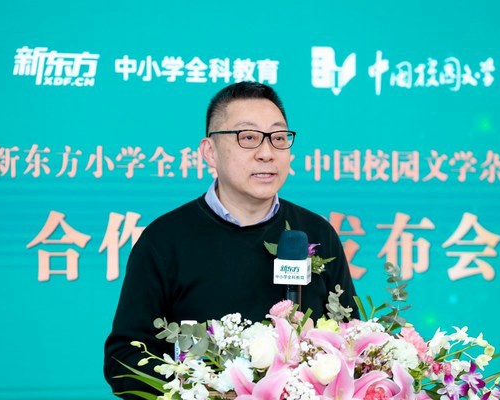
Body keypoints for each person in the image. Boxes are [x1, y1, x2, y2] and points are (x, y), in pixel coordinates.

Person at [103, 81, 358, 397]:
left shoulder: (316, 232)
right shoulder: (164, 240)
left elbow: (351, 341)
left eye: (279, 138)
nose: (266, 153)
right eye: (248, 138)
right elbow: (125, 357)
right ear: (210, 152)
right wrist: (205, 392)